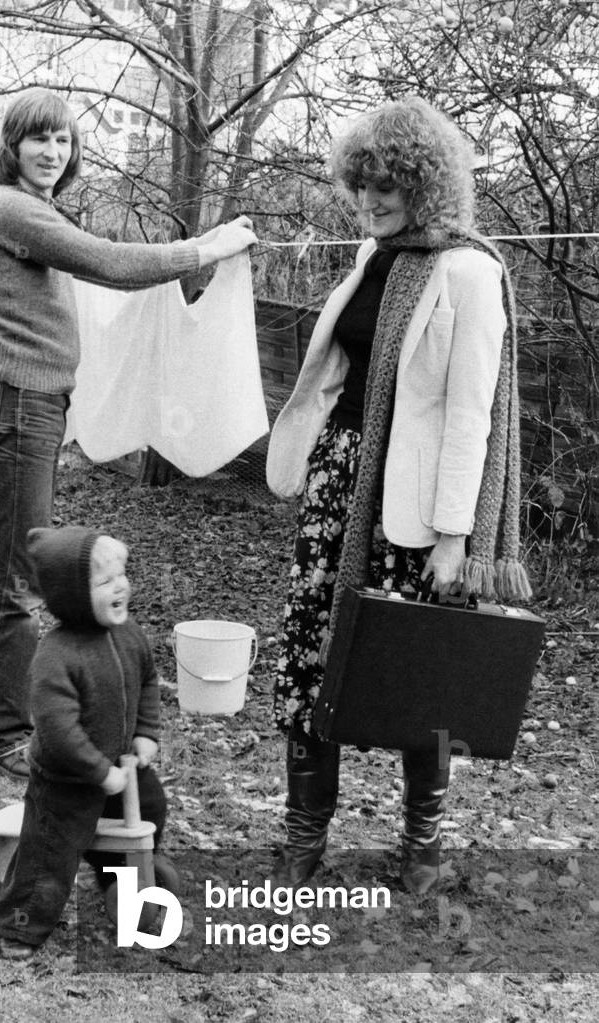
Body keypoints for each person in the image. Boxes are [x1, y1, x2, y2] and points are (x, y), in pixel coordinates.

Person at [266, 96, 531, 895]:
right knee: (312, 658)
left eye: (388, 187)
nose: (372, 201)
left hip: (413, 509)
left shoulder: (470, 270)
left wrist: (455, 535)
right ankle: (303, 839)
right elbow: (340, 371)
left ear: (427, 185)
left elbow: (469, 413)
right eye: (362, 186)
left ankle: (421, 847)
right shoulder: (371, 254)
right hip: (340, 485)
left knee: (421, 671)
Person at [0, 87, 257, 777]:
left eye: (63, 141)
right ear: (13, 146)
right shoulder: (12, 208)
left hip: (28, 401)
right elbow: (111, 265)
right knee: (16, 572)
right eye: (39, 139)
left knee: (0, 567)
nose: (52, 152)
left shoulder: (33, 210)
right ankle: (2, 732)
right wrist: (208, 245)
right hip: (19, 403)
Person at [0, 524, 167, 960]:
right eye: (105, 581)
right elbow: (58, 729)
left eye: (122, 574)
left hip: (120, 768)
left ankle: (121, 882)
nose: (120, 586)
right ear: (71, 594)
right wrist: (96, 770)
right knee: (49, 854)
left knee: (151, 808)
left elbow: (147, 681)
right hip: (67, 779)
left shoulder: (129, 636)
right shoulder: (57, 654)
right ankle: (20, 925)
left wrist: (145, 732)